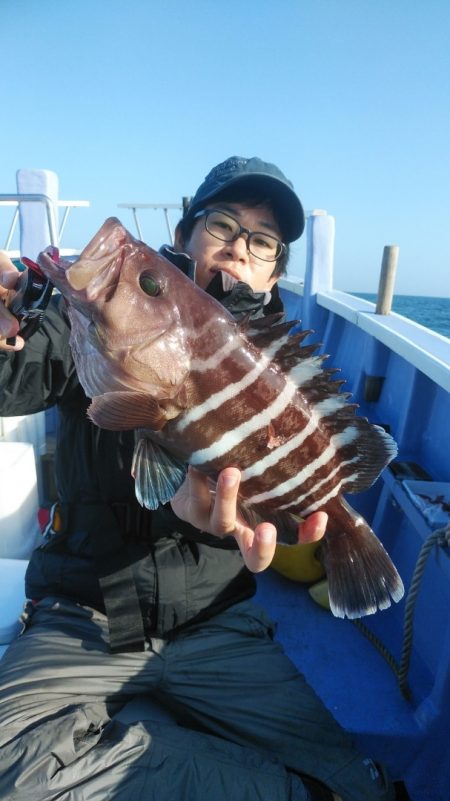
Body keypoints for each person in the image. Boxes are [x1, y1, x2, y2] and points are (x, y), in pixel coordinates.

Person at [0, 156, 395, 801]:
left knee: (358, 788)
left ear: (273, 273)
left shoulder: (269, 361)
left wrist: (300, 521)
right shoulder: (98, 319)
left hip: (216, 624)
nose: (240, 247)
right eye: (223, 224)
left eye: (263, 242)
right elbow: (15, 374)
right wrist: (8, 331)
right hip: (81, 615)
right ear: (185, 236)